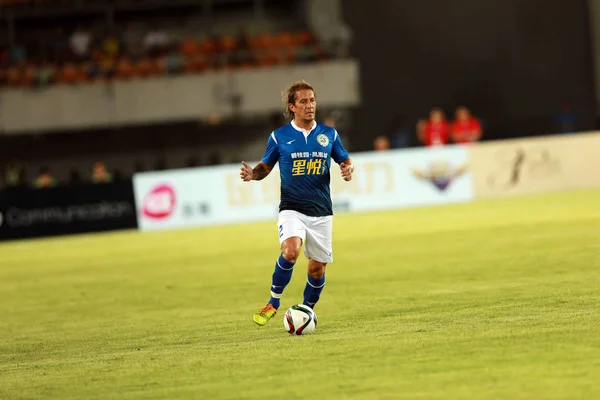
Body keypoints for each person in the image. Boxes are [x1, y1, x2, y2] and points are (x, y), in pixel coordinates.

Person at [240, 81, 354, 326]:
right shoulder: (279, 137)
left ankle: (305, 310)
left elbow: (344, 160)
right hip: (292, 208)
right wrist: (253, 174)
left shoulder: (329, 134)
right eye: (303, 101)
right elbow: (264, 167)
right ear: (292, 106)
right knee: (290, 251)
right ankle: (273, 301)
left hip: (322, 212)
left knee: (317, 269)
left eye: (312, 100)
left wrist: (347, 168)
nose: (309, 105)